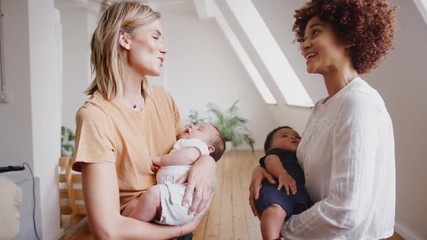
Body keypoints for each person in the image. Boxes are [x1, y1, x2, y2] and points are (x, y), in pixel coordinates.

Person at [249, 0, 397, 239]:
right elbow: (304, 168)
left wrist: (284, 228)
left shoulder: (358, 102)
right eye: (303, 37)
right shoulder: (321, 107)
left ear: (348, 36)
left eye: (315, 32)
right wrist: (262, 169)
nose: (305, 44)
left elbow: (347, 211)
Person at [72, 2, 217, 239]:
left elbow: (189, 151)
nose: (164, 48)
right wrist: (181, 229)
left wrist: (206, 163)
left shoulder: (163, 99)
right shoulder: (95, 117)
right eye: (156, 36)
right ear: (125, 40)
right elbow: (107, 231)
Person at [123, 122, 226, 226]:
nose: (191, 126)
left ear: (209, 148)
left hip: (182, 198)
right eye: (194, 124)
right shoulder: (184, 146)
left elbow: (188, 156)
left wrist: (161, 160)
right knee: (132, 207)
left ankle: (127, 228)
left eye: (200, 129)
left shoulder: (198, 146)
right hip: (174, 200)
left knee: (151, 195)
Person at [255, 126, 311, 240]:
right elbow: (271, 161)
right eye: (284, 136)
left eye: (297, 136)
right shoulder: (277, 152)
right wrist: (282, 174)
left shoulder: (302, 155)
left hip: (298, 192)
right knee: (275, 210)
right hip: (277, 189)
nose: (292, 137)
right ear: (271, 147)